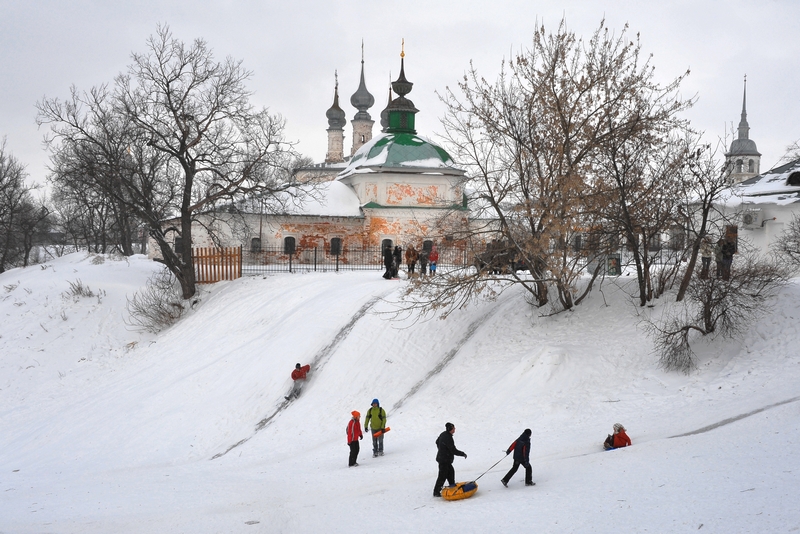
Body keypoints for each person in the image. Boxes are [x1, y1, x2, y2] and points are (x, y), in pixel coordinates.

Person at [433, 422, 467, 497]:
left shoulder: (443, 434)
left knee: (451, 472)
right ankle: (436, 492)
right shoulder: (448, 438)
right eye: (454, 428)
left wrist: (441, 449)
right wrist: (462, 454)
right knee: (442, 476)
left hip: (445, 459)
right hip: (444, 460)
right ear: (450, 429)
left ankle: (452, 487)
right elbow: (453, 450)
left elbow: (437, 442)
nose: (455, 429)